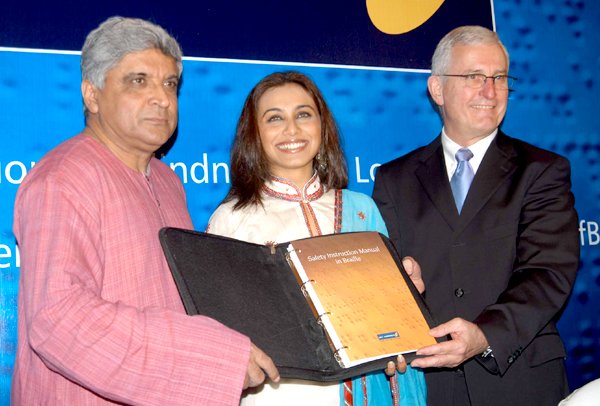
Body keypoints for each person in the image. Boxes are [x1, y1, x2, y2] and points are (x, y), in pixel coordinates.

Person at [11, 16, 279, 405]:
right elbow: (61, 321)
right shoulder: (62, 179)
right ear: (92, 94)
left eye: (170, 84)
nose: (162, 98)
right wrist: (209, 356)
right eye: (138, 81)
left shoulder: (168, 181)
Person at [372, 25, 579, 406]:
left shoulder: (542, 170)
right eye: (474, 77)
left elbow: (547, 273)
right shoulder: (393, 178)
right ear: (437, 89)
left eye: (500, 77)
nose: (491, 91)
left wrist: (486, 335)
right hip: (427, 383)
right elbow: (387, 283)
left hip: (520, 381)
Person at [207, 71, 427, 405]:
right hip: (279, 394)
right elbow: (221, 331)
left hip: (365, 390)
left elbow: (388, 315)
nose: (291, 130)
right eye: (274, 118)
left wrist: (403, 322)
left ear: (322, 127)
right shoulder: (232, 219)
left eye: (303, 115)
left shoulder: (361, 209)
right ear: (254, 133)